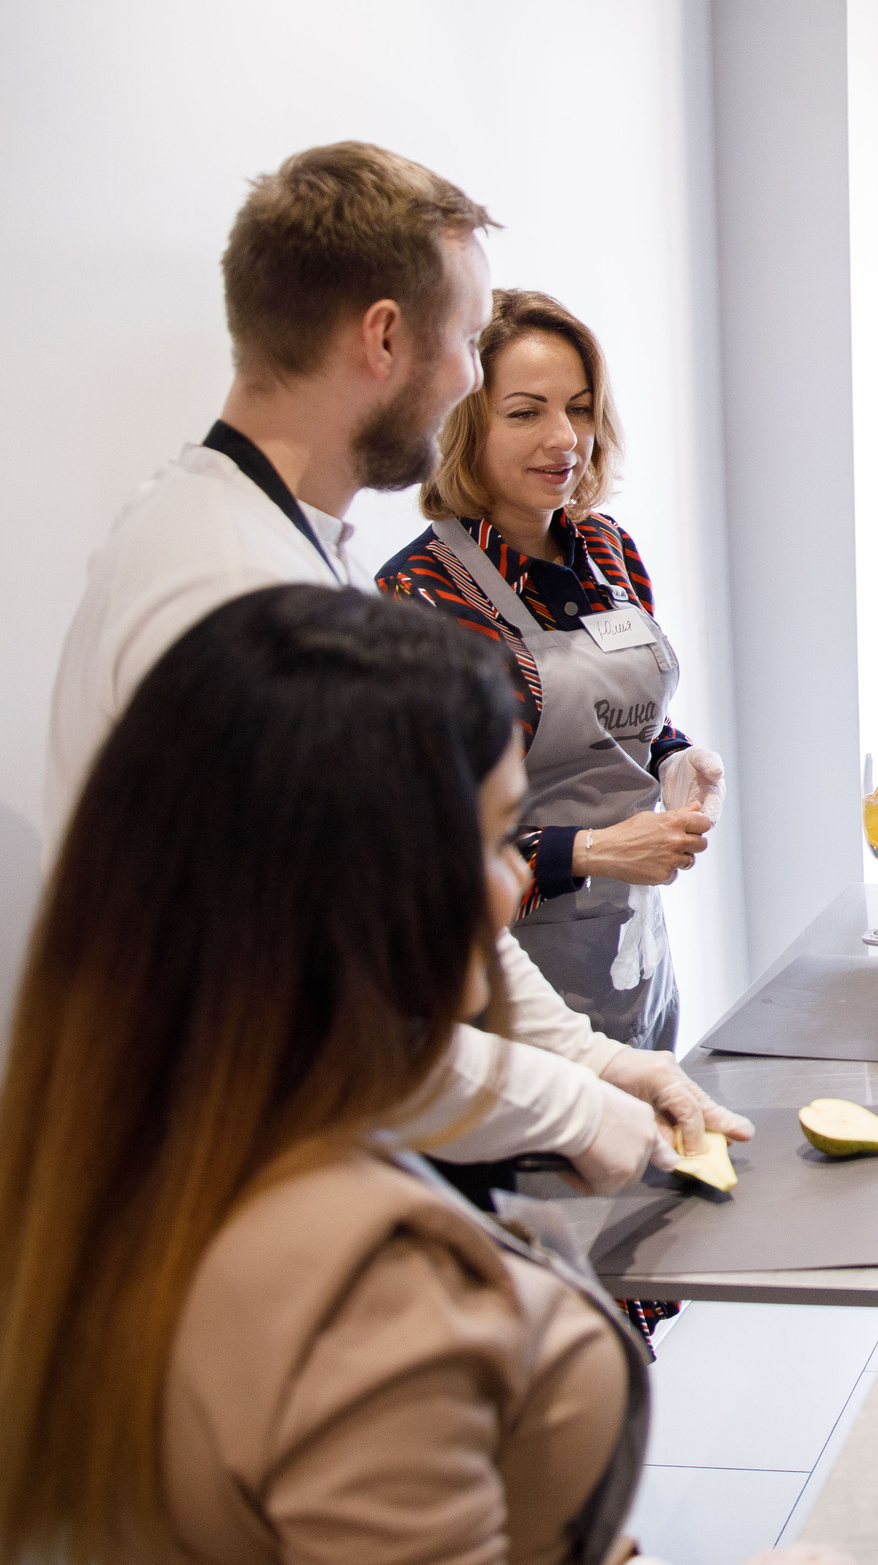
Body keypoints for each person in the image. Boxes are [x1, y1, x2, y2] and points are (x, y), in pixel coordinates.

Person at [39, 141, 740, 1190]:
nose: (464, 374)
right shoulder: (233, 586)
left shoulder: (282, 545)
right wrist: (574, 1107)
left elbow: (417, 892)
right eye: (463, 340)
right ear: (383, 336)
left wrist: (596, 1060)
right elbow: (320, 1004)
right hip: (230, 1190)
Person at [0, 587, 650, 1563]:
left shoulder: (129, 1167)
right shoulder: (369, 1299)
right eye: (490, 841)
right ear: (364, 881)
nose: (515, 880)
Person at [381, 290, 721, 1053]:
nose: (564, 438)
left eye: (580, 407)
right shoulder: (422, 596)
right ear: (466, 422)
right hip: (516, 989)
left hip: (637, 956)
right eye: (526, 412)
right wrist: (596, 850)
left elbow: (631, 721)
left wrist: (677, 757)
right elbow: (428, 858)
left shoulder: (607, 550)